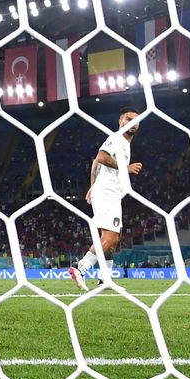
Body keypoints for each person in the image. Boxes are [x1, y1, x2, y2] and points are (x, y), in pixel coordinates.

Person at [69, 107, 143, 291]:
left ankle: (105, 279)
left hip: (109, 192)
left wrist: (92, 185)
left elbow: (95, 161)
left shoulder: (125, 143)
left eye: (136, 120)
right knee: (109, 238)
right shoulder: (117, 138)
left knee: (113, 238)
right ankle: (81, 268)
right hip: (108, 192)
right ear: (120, 121)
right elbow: (101, 157)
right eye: (128, 118)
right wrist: (125, 168)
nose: (132, 122)